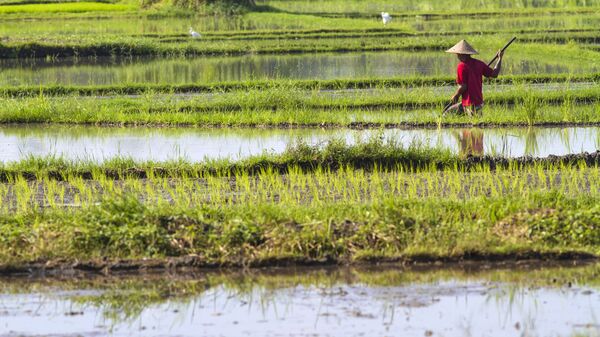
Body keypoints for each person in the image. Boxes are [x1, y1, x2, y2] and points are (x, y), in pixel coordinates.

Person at [444, 40, 504, 116]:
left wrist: (456, 96)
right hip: (477, 102)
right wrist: (500, 59)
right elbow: (494, 74)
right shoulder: (479, 63)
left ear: (462, 54)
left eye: (458, 54)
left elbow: (463, 86)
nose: (457, 56)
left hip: (469, 104)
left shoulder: (461, 66)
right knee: (448, 114)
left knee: (474, 125)